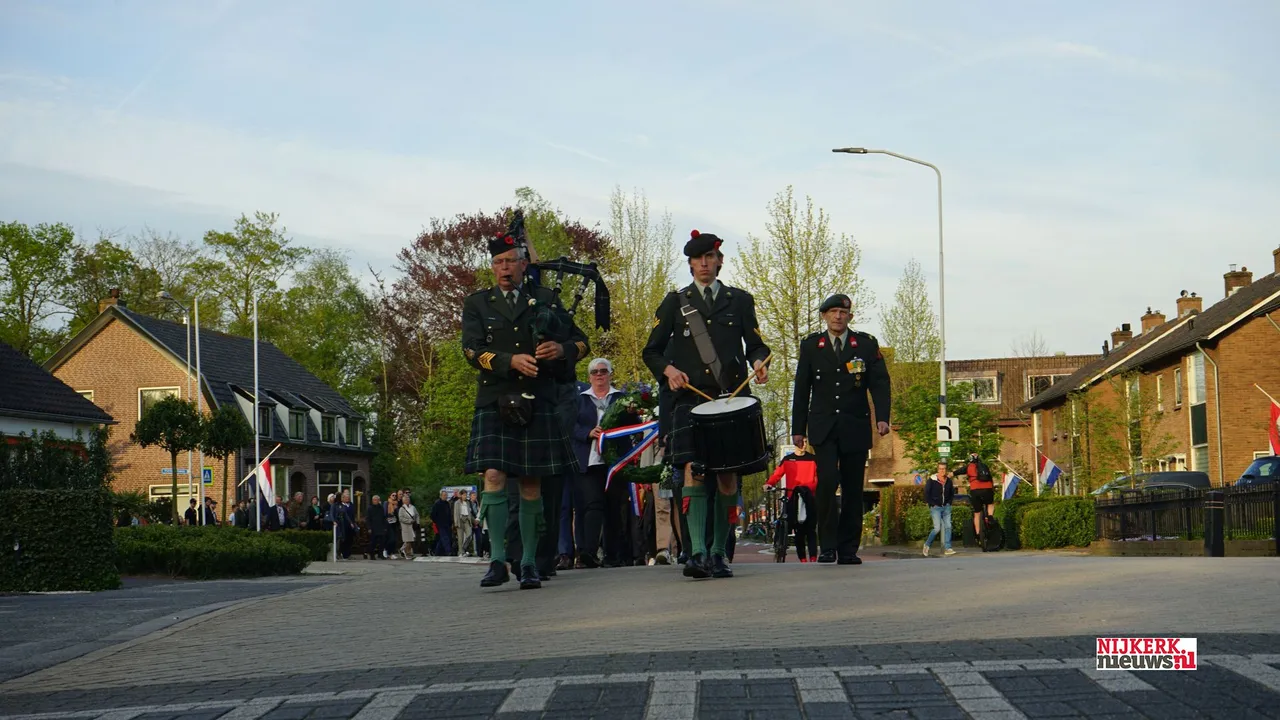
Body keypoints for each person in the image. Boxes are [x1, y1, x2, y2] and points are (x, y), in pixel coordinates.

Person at [462, 230, 588, 589]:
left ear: (523, 264)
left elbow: (581, 341)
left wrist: (561, 350)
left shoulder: (546, 298)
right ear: (492, 267)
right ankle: (498, 560)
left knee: (532, 483)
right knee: (494, 478)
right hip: (495, 398)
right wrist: (508, 360)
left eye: (511, 261)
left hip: (538, 399)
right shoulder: (477, 304)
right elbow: (470, 350)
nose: (505, 268)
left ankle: (530, 562)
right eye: (498, 262)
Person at [642, 229, 770, 580]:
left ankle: (718, 554)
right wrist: (668, 370)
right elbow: (650, 351)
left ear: (719, 261)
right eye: (696, 259)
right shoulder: (675, 302)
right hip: (690, 401)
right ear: (690, 265)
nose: (703, 264)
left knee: (728, 479)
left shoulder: (740, 301)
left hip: (730, 400)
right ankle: (696, 552)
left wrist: (760, 363)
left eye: (709, 258)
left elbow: (756, 345)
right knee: (693, 475)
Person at [791, 294, 891, 565]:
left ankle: (848, 548)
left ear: (850, 316)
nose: (838, 317)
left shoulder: (866, 345)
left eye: (842, 312)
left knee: (852, 488)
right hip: (823, 426)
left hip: (855, 425)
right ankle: (827, 545)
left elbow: (880, 382)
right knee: (826, 483)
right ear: (824, 316)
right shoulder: (812, 346)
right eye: (832, 312)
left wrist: (883, 417)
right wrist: (797, 428)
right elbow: (802, 388)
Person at [570, 358, 621, 568]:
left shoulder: (621, 398)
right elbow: (569, 425)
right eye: (594, 372)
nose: (599, 375)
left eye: (603, 371)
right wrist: (587, 433)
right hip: (589, 461)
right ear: (589, 376)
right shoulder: (580, 400)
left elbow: (633, 425)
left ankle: (614, 555)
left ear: (610, 374)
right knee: (592, 505)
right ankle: (588, 552)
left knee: (614, 507)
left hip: (615, 461)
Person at [764, 444, 819, 562]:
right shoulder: (788, 460)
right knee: (798, 529)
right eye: (800, 441)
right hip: (792, 498)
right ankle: (803, 558)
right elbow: (777, 474)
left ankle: (813, 557)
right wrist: (769, 483)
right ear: (795, 442)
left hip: (809, 498)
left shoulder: (813, 459)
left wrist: (808, 488)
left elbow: (817, 478)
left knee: (810, 529)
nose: (803, 444)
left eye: (805, 441)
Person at [922, 462, 957, 557]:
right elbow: (926, 493)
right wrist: (932, 504)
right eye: (941, 469)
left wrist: (949, 503)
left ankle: (948, 548)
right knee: (937, 528)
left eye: (944, 469)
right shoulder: (932, 480)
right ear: (938, 470)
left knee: (948, 526)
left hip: (946, 507)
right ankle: (927, 545)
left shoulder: (948, 481)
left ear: (946, 470)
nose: (942, 470)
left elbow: (951, 493)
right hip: (936, 508)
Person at [966, 454, 996, 541]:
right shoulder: (985, 466)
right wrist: (992, 489)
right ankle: (990, 516)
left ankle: (978, 534)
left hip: (975, 490)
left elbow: (956, 472)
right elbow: (990, 478)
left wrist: (950, 474)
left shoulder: (968, 467)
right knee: (990, 504)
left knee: (977, 513)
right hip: (988, 489)